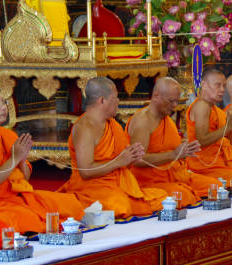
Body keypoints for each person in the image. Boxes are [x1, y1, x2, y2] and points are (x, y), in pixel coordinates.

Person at [0, 85, 84, 250]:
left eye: (4, 102)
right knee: (26, 221)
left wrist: (22, 160)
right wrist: (14, 158)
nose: (4, 107)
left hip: (15, 199)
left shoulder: (7, 135)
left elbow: (23, 179)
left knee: (71, 205)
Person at [58, 77, 167, 219]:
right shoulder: (85, 127)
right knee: (120, 205)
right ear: (102, 100)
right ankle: (82, 206)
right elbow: (85, 171)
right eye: (115, 98)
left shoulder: (113, 125)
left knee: (163, 197)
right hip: (91, 188)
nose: (118, 102)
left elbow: (122, 164)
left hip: (117, 186)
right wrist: (118, 161)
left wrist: (131, 157)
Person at [126, 77, 220, 206]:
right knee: (184, 195)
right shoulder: (142, 121)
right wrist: (174, 154)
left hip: (176, 176)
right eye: (171, 101)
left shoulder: (166, 119)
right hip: (149, 182)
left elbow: (169, 146)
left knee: (216, 187)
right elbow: (138, 160)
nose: (175, 105)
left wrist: (185, 148)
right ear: (156, 95)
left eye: (177, 101)